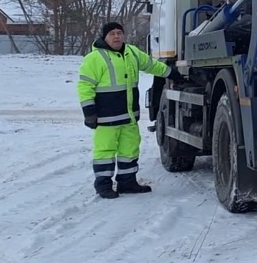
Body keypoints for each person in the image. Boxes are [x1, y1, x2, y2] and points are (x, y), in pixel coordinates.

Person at [77, 21, 185, 199]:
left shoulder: (132, 53)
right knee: (105, 152)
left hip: (129, 117)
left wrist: (171, 73)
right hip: (106, 118)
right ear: (105, 37)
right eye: (112, 33)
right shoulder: (94, 58)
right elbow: (85, 86)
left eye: (119, 33)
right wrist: (89, 112)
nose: (116, 36)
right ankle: (103, 185)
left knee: (130, 150)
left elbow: (152, 65)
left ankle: (127, 182)